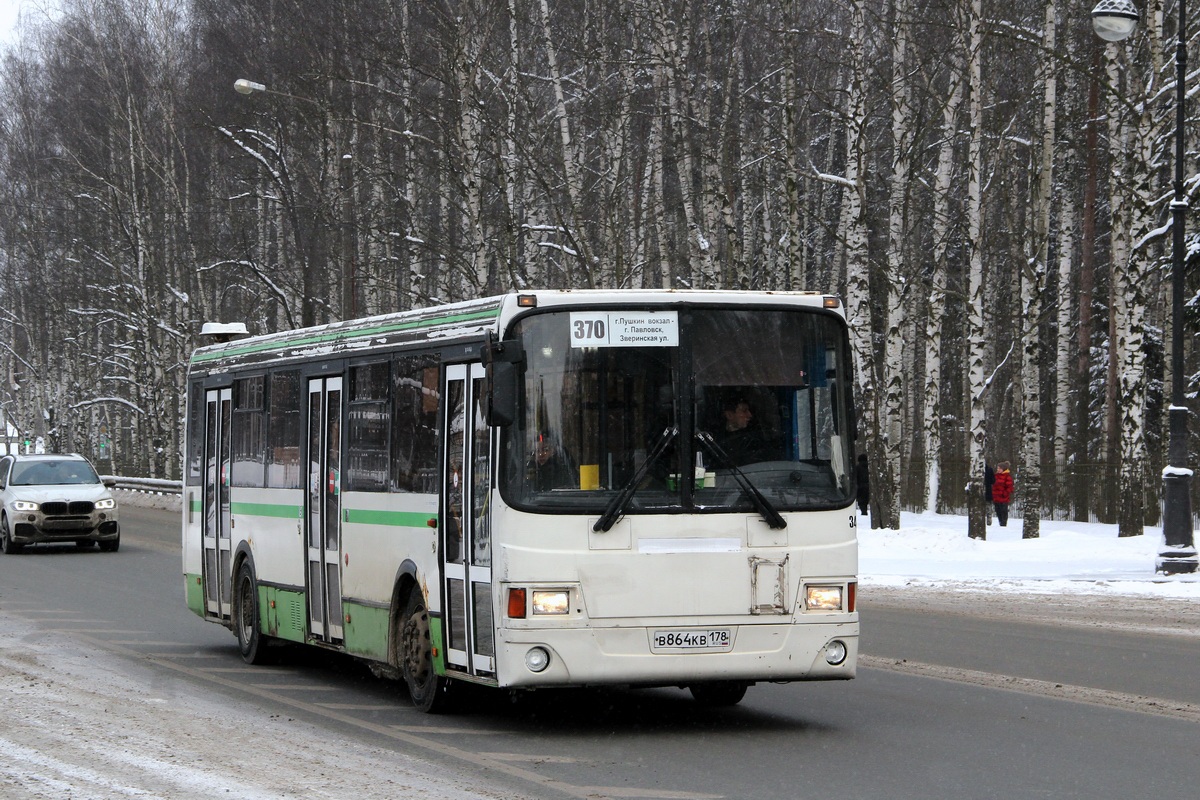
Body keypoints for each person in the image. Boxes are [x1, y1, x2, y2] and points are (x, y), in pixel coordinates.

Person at [716, 395, 771, 466]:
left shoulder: (754, 441)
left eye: (749, 411)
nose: (749, 415)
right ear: (729, 415)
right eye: (744, 411)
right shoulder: (715, 440)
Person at [991, 460, 1014, 527]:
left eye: (999, 468)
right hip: (996, 497)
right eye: (997, 468)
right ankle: (1001, 523)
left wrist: (1005, 493)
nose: (998, 470)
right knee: (998, 511)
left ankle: (1003, 524)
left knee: (1003, 511)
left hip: (1003, 498)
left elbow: (1009, 487)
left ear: (1003, 469)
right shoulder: (995, 476)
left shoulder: (1007, 476)